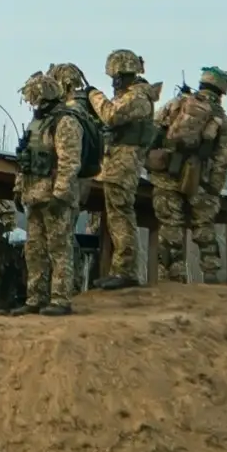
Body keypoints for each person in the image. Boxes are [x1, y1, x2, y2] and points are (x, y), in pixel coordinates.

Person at [149, 66, 227, 283]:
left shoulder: (176, 104)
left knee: (170, 228)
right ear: (221, 92)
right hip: (200, 179)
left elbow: (154, 130)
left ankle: (171, 278)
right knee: (204, 227)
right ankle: (211, 274)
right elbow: (223, 160)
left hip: (167, 174)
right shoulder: (221, 120)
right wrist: (213, 190)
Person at [13, 71, 87, 316]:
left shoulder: (65, 122)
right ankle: (36, 297)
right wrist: (18, 189)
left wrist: (61, 194)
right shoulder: (37, 123)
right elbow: (25, 160)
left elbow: (69, 161)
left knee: (59, 248)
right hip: (34, 195)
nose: (32, 102)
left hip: (54, 197)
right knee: (34, 250)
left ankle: (60, 299)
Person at [88, 49, 158, 289]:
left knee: (121, 214)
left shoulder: (137, 97)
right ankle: (119, 269)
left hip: (124, 161)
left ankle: (126, 270)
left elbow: (111, 115)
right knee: (115, 215)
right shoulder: (133, 95)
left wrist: (93, 95)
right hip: (116, 160)